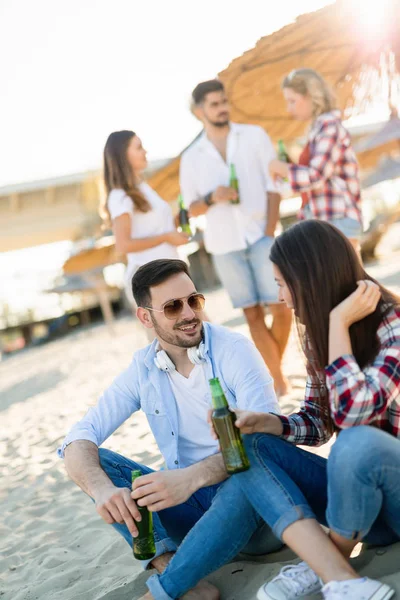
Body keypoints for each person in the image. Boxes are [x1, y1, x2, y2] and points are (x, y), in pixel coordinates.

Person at [144, 221, 400, 600]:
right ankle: (335, 573)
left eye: (281, 283)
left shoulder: (392, 325)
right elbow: (319, 422)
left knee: (358, 443)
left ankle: (328, 564)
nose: (279, 296)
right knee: (247, 447)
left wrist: (337, 325)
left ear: (310, 278)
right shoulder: (320, 334)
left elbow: (352, 416)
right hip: (359, 510)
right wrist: (271, 424)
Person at [58, 259, 282, 600]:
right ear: (146, 317)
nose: (189, 313)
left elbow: (267, 444)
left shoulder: (234, 350)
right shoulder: (143, 368)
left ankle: (167, 588)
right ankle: (177, 572)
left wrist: (193, 477)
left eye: (195, 301)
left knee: (245, 477)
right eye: (173, 306)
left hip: (252, 506)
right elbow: (78, 438)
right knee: (99, 463)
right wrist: (102, 491)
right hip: (190, 513)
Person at [180, 79, 292, 398]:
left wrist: (269, 231)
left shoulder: (253, 136)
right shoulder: (192, 158)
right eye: (215, 104)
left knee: (281, 307)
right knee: (252, 313)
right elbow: (191, 208)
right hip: (224, 244)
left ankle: (273, 372)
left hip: (261, 235)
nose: (222, 108)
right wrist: (213, 197)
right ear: (199, 111)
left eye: (224, 101)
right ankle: (279, 382)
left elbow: (275, 184)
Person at [269, 68, 363, 252]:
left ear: (310, 96)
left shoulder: (329, 127)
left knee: (350, 281)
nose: (289, 108)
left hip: (338, 220)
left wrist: (280, 167)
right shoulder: (317, 130)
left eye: (292, 101)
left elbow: (316, 175)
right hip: (326, 220)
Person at [100, 130, 190, 319]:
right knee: (196, 337)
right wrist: (166, 237)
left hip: (169, 273)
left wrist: (176, 223)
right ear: (123, 155)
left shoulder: (142, 188)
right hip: (151, 281)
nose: (145, 151)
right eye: (139, 147)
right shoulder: (120, 196)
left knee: (201, 337)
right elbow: (123, 244)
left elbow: (154, 229)